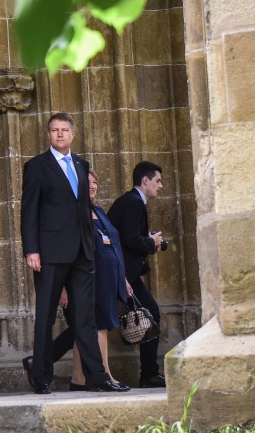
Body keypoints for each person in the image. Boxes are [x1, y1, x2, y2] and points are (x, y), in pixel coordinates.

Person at [20, 113, 124, 394]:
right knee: (45, 316)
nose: (59, 134)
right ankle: (41, 375)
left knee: (85, 317)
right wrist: (31, 249)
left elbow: (83, 209)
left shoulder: (81, 164)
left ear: (73, 134)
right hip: (51, 253)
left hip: (82, 252)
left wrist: (90, 247)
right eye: (54, 130)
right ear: (49, 135)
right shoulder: (36, 166)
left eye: (64, 130)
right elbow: (29, 211)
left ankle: (97, 377)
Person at [66, 170, 132, 391]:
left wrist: (122, 278)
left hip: (107, 280)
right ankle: (106, 376)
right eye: (88, 183)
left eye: (95, 182)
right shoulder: (75, 214)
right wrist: (63, 288)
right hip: (87, 281)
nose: (92, 186)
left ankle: (78, 378)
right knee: (97, 327)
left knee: (88, 329)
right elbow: (67, 253)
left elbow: (114, 246)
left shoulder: (99, 212)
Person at [108, 160, 167, 388]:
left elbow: (130, 234)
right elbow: (130, 239)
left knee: (91, 320)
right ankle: (149, 374)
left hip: (124, 272)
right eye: (158, 181)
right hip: (120, 273)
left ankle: (150, 373)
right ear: (145, 180)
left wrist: (152, 241)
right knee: (91, 321)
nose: (160, 186)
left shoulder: (132, 201)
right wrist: (151, 242)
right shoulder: (133, 203)